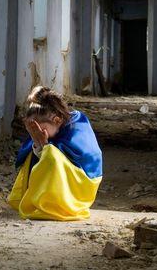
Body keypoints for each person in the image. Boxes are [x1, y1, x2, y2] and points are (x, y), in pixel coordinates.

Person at [8, 86, 103, 221]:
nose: (37, 132)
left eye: (39, 128)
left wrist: (46, 148)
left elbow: (86, 158)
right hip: (67, 174)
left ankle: (55, 204)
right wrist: (38, 144)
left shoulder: (78, 124)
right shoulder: (51, 128)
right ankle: (40, 200)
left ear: (57, 120)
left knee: (51, 155)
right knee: (35, 152)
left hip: (84, 180)